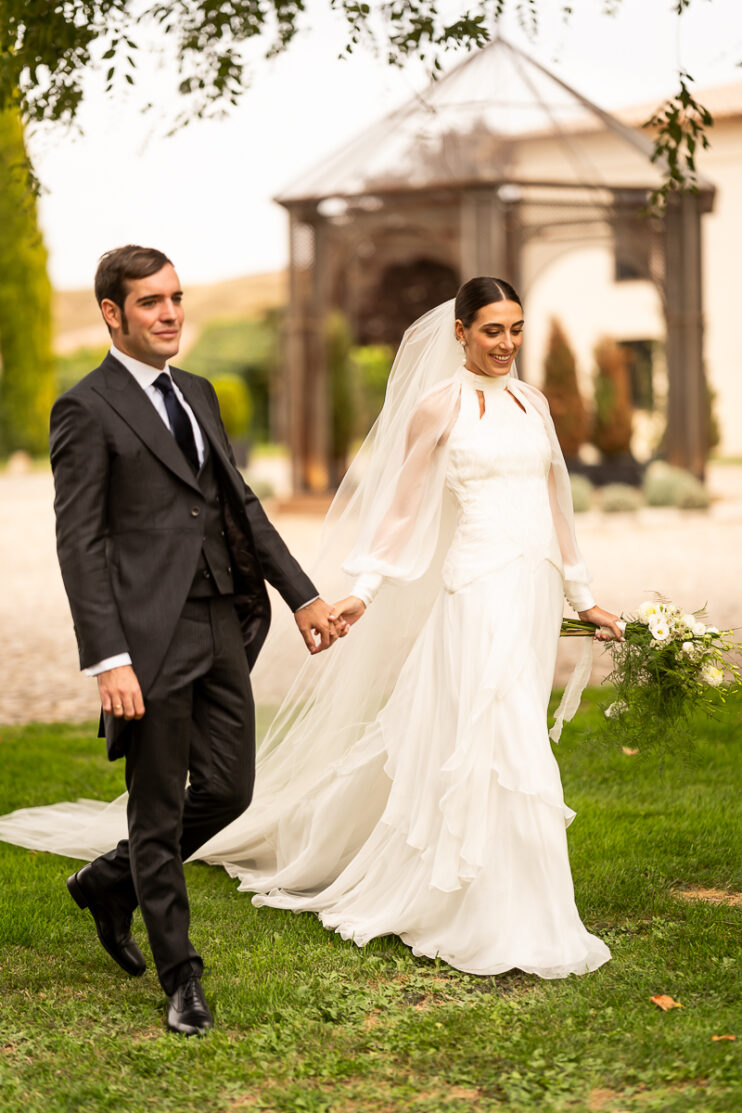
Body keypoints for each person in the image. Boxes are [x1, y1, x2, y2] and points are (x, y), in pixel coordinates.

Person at [0, 276, 619, 982]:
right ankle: (475, 908)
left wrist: (583, 593)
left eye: (514, 329)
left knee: (514, 741)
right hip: (472, 592)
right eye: (491, 330)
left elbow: (555, 502)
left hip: (526, 594)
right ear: (460, 332)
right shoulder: (438, 410)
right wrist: (360, 588)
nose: (506, 343)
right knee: (492, 733)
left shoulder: (531, 405)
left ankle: (519, 896)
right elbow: (400, 512)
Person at [44, 245, 344, 1035]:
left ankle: (113, 879)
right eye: (151, 302)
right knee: (154, 807)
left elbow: (241, 505)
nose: (170, 313)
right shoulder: (86, 407)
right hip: (148, 636)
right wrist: (109, 657)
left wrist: (304, 595)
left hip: (222, 619)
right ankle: (181, 976)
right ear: (113, 313)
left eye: (175, 297)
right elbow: (80, 544)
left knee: (231, 789)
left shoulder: (201, 393)